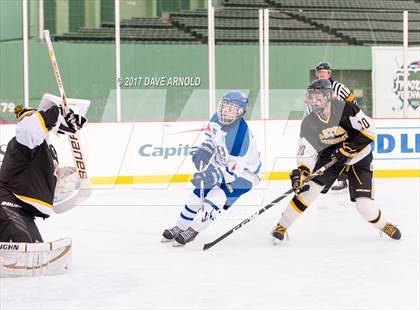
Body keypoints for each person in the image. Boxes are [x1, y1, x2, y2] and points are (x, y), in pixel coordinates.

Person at [271, 79, 401, 242]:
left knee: (365, 207)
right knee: (307, 191)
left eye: (318, 97)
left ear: (328, 97)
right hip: (330, 158)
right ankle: (281, 226)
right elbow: (306, 152)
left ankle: (384, 225)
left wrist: (349, 149)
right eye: (311, 97)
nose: (314, 101)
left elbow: (370, 130)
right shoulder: (308, 122)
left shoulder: (347, 109)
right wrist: (303, 172)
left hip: (359, 158)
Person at [162, 91, 261, 245]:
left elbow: (233, 173)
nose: (225, 111)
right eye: (224, 106)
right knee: (196, 196)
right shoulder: (215, 118)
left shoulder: (241, 136)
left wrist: (212, 175)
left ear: (240, 111)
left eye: (231, 108)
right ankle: (180, 226)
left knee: (215, 199)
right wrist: (206, 149)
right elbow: (211, 138)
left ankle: (193, 230)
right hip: (220, 165)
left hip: (245, 175)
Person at [0, 94, 86, 243]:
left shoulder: (47, 152)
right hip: (7, 204)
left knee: (35, 246)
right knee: (24, 249)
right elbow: (28, 129)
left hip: (21, 209)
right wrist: (57, 112)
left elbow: (47, 183)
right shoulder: (21, 145)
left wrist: (72, 178)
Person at [316, 61, 357, 191]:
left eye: (324, 72)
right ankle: (326, 180)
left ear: (329, 73)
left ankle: (342, 179)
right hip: (323, 125)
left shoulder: (338, 87)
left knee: (340, 152)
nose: (321, 74)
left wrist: (345, 117)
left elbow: (353, 101)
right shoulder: (315, 88)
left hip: (340, 125)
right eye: (319, 72)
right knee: (323, 153)